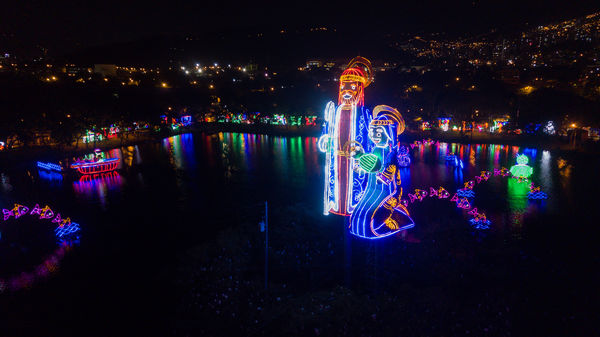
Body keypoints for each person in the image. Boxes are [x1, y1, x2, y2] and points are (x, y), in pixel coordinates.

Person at [319, 57, 374, 216]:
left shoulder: (365, 113)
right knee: (335, 188)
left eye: (352, 86)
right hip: (335, 159)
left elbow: (370, 139)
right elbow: (326, 130)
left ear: (360, 89)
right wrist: (325, 140)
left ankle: (355, 209)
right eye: (343, 86)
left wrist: (361, 151)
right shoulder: (334, 110)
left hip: (354, 161)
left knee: (353, 192)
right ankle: (335, 206)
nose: (346, 91)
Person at [349, 105, 414, 239]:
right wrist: (360, 167)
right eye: (372, 132)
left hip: (389, 192)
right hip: (372, 190)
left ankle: (397, 221)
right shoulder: (375, 150)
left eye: (378, 132)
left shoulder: (391, 152)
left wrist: (385, 175)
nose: (374, 136)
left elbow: (391, 167)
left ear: (387, 133)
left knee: (369, 220)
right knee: (356, 216)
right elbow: (371, 165)